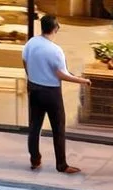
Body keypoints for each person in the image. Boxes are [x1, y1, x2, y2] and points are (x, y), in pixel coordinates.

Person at [22, 12, 81, 174]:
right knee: (58, 128)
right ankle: (61, 164)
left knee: (34, 126)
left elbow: (25, 61)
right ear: (55, 29)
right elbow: (62, 74)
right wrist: (82, 80)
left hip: (34, 89)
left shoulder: (31, 43)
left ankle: (35, 159)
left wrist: (30, 77)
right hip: (51, 93)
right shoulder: (55, 50)